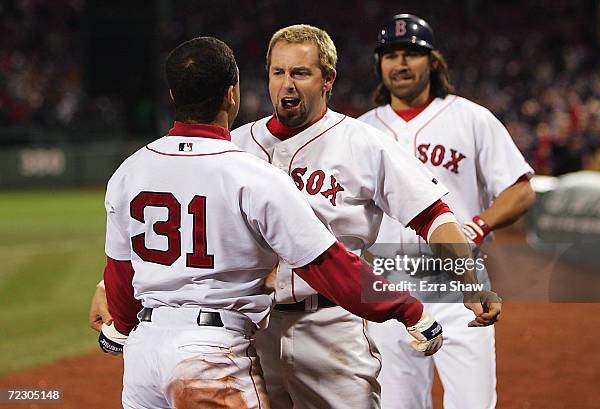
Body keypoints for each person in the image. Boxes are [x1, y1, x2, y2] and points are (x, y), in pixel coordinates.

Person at [95, 36, 447, 409]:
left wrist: (120, 327)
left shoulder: (129, 170)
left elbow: (121, 270)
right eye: (277, 72)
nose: (286, 82)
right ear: (232, 94)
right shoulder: (250, 171)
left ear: (172, 94)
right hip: (214, 348)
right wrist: (408, 309)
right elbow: (327, 263)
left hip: (145, 352)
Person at [228, 25, 500, 409]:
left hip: (331, 326)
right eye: (278, 72)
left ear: (327, 80)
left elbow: (434, 215)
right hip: (252, 329)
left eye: (300, 73)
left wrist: (469, 281)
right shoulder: (237, 147)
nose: (286, 84)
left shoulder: (362, 143)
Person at [359, 14, 536, 409]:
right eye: (390, 55)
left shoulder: (470, 118)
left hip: (459, 279)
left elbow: (521, 190)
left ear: (433, 63)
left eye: (411, 54)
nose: (400, 64)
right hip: (387, 282)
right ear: (379, 65)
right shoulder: (361, 130)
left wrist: (477, 225)